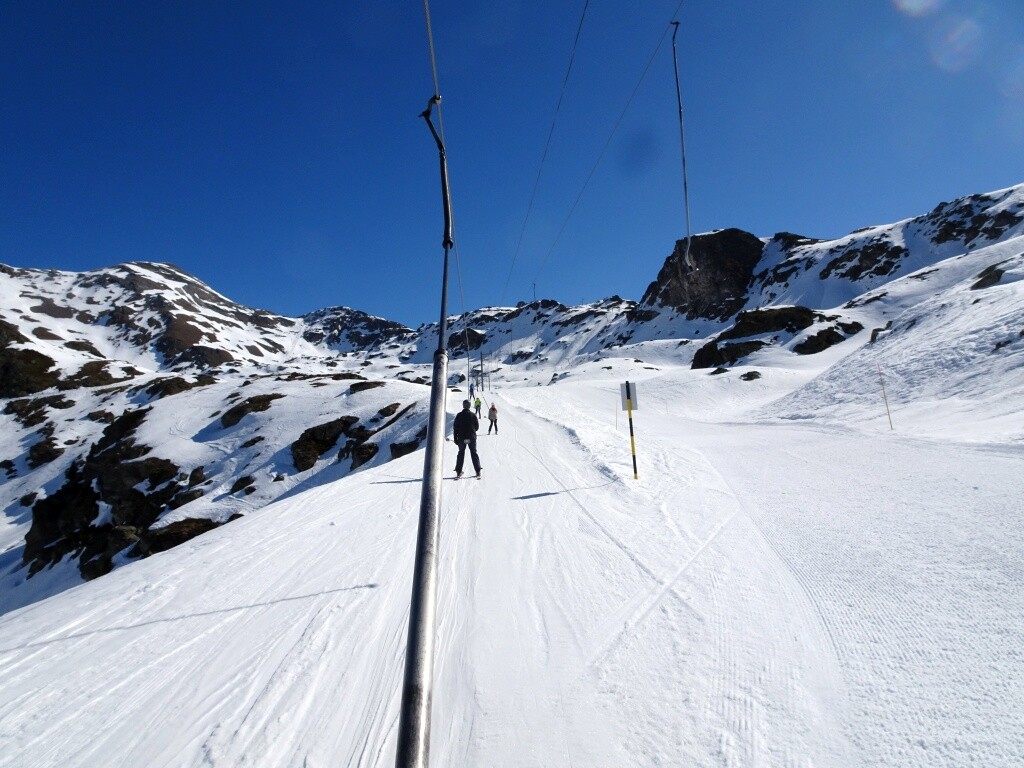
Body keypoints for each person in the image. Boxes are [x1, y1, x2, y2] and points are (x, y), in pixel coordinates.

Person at [453, 399, 481, 478]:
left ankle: (458, 472)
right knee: (473, 453)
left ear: (463, 405)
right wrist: (472, 430)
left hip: (461, 438)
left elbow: (455, 428)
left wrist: (455, 438)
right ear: (469, 405)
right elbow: (477, 427)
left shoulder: (459, 415)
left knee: (461, 453)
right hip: (472, 437)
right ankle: (478, 471)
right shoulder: (473, 415)